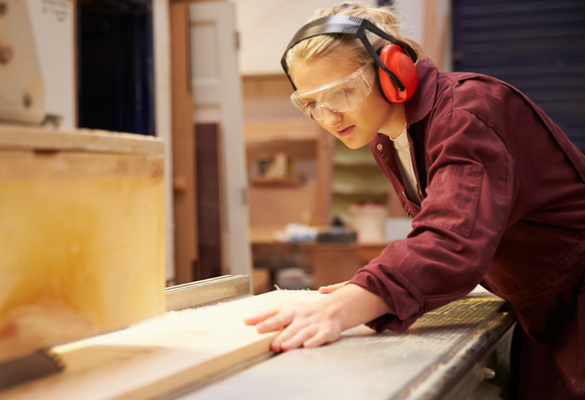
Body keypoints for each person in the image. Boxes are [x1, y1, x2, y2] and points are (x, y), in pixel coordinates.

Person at [243, 2, 585, 399]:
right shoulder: (389, 141)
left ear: (393, 70)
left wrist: (350, 303)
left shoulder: (466, 113)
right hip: (544, 309)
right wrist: (368, 289)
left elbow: (452, 237)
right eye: (313, 103)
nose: (329, 117)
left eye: (342, 91)